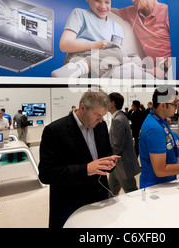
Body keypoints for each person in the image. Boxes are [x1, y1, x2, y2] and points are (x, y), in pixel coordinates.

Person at [38, 89, 119, 228]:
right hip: (70, 204)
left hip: (100, 199)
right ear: (82, 107)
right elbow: (46, 174)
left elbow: (106, 152)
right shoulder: (55, 130)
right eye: (97, 115)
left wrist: (110, 162)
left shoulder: (101, 126)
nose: (100, 120)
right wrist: (86, 169)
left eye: (103, 116)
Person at [52, 0, 126, 78]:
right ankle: (79, 67)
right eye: (97, 1)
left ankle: (82, 68)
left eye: (107, 2)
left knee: (123, 55)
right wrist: (96, 45)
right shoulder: (80, 14)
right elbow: (64, 45)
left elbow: (117, 55)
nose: (103, 6)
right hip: (79, 59)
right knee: (117, 54)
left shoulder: (117, 28)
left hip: (103, 67)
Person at [115, 0, 171, 78]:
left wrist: (163, 68)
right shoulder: (131, 12)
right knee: (120, 73)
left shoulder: (167, 12)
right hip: (152, 72)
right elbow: (109, 11)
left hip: (171, 68)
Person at [108, 92, 140, 196]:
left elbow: (117, 146)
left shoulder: (118, 120)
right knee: (111, 192)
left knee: (132, 193)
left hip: (122, 165)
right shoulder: (119, 117)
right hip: (117, 166)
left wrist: (106, 158)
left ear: (112, 103)